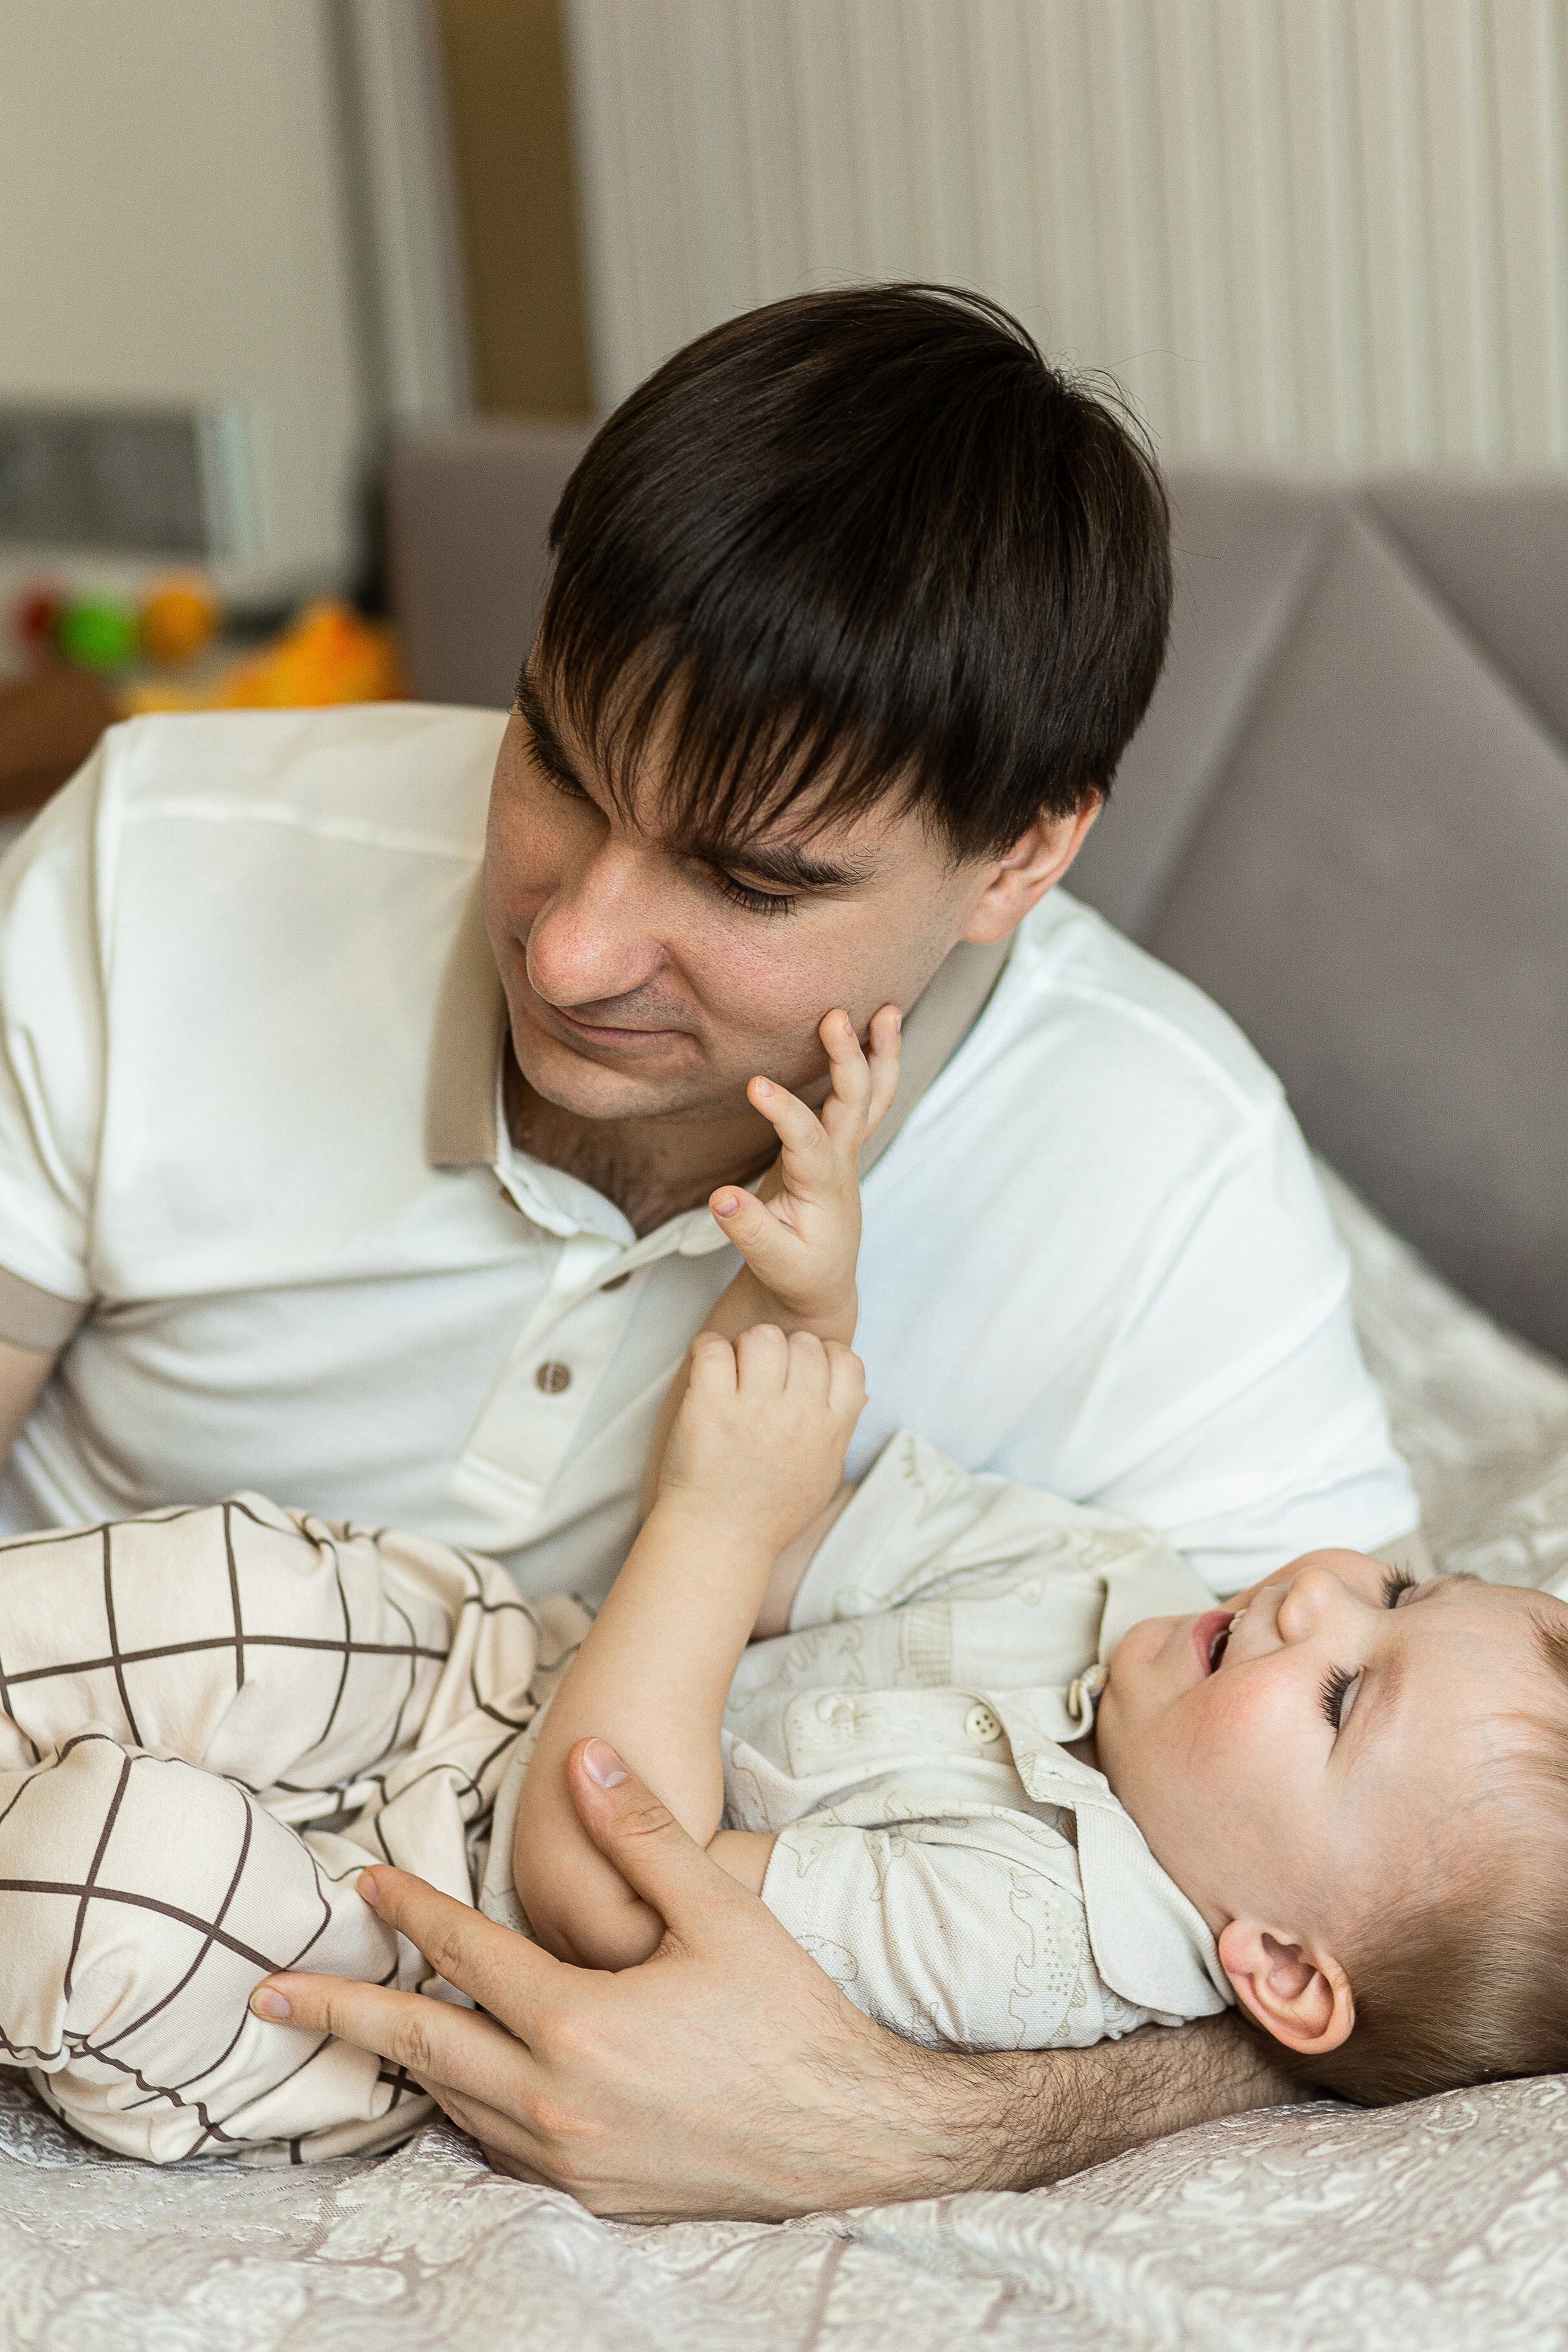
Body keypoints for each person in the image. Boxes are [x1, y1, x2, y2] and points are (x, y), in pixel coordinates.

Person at [0, 284, 1421, 2209]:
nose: (575, 951)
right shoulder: (163, 869)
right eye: (561, 766)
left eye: (750, 882)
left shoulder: (1165, 1178)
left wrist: (919, 2130)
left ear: (1021, 853)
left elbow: (1390, 1918)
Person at [0, 1014, 1555, 2166]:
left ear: (1275, 1967)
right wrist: (799, 1301)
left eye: (1348, 1694)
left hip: (430, 1959)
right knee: (222, 1584)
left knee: (108, 1873)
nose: (1317, 1601)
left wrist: (708, 1514)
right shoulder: (1114, 1581)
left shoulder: (1037, 1936)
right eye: (1401, 1587)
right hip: (485, 1677)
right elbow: (770, 1528)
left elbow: (596, 1897)